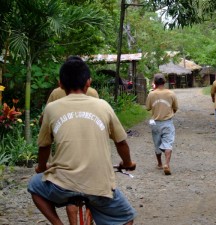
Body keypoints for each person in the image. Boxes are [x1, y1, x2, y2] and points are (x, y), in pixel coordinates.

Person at [28, 56, 137, 225]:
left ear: (60, 84)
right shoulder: (103, 105)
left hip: (62, 185)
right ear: (88, 82)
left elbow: (44, 146)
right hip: (99, 187)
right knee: (126, 218)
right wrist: (128, 162)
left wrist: (42, 167)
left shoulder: (51, 109)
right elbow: (121, 142)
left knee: (34, 185)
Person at [145, 73, 178, 175]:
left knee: (157, 143)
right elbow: (175, 108)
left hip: (155, 123)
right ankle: (166, 164)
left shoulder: (151, 94)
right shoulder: (171, 94)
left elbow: (148, 108)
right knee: (168, 143)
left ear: (154, 82)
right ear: (165, 82)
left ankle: (159, 163)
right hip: (167, 122)